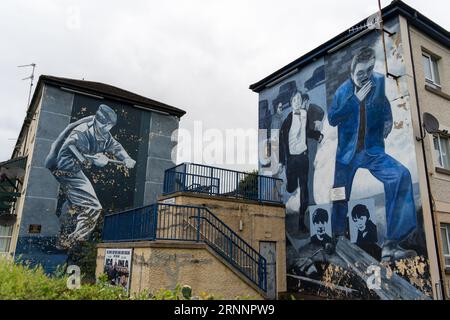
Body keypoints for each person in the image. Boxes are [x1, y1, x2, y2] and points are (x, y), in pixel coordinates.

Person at [328, 47, 417, 262]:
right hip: (347, 154)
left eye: (369, 70)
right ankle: (336, 235)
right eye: (360, 73)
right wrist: (355, 100)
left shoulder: (378, 82)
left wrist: (387, 123)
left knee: (401, 175)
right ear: (352, 73)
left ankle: (391, 243)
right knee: (339, 194)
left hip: (372, 150)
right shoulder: (342, 92)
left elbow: (385, 105)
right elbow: (332, 118)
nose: (365, 76)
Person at [45, 104, 136, 248]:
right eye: (108, 126)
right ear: (101, 122)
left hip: (74, 169)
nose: (109, 130)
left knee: (75, 204)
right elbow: (72, 149)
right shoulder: (81, 132)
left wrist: (126, 158)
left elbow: (115, 146)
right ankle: (73, 240)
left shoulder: (102, 133)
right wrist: (93, 158)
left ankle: (65, 230)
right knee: (93, 206)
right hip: (65, 168)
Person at [279, 91, 324, 232]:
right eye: (295, 100)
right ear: (291, 103)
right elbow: (281, 142)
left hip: (303, 157)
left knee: (304, 189)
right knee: (292, 187)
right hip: (292, 160)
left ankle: (301, 222)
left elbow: (307, 132)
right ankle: (290, 184)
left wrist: (318, 135)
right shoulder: (287, 121)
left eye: (299, 99)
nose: (297, 102)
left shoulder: (304, 115)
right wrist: (282, 161)